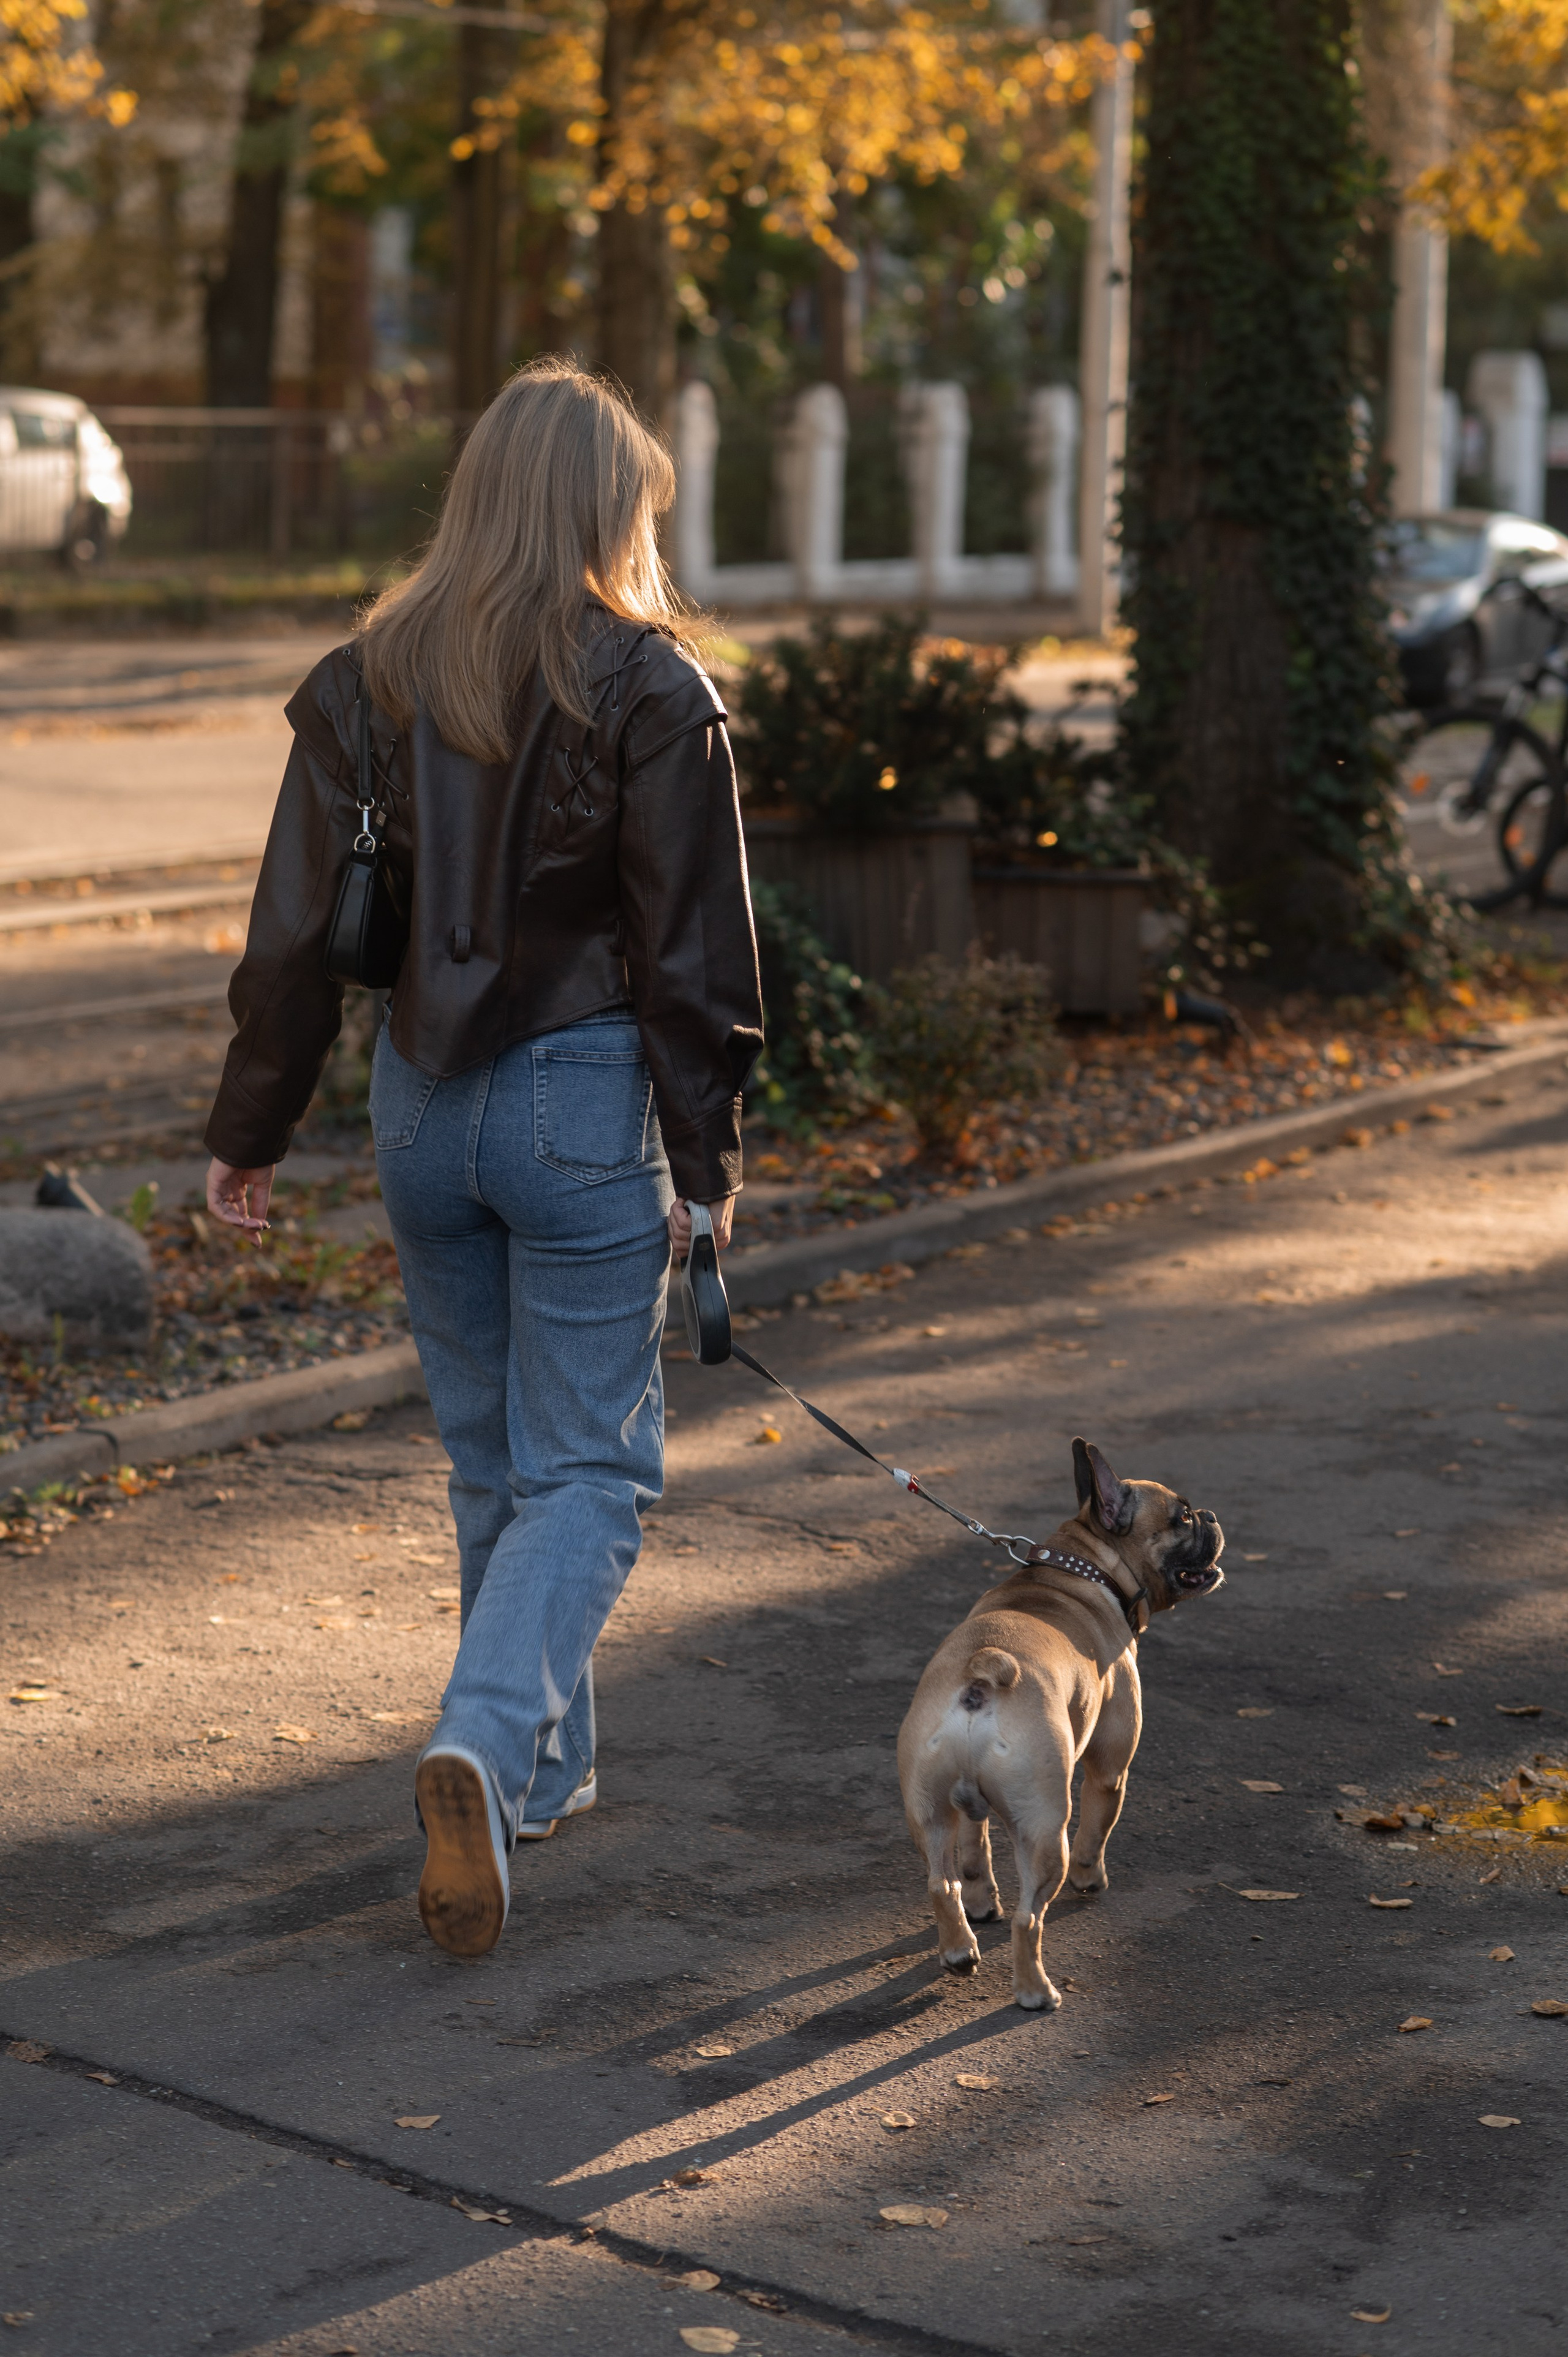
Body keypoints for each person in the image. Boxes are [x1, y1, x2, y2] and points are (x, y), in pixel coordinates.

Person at [202, 356, 763, 1958]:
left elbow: (295, 935)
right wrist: (704, 1157)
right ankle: (490, 1735)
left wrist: (253, 1128)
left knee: (493, 1463)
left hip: (419, 1109)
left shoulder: (366, 676)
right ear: (608, 507)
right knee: (588, 1470)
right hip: (580, 1104)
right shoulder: (657, 690)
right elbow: (698, 961)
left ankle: (532, 1773)